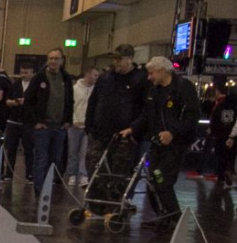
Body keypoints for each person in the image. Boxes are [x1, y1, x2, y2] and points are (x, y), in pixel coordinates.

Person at [119, 56, 201, 228]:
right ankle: (163, 215)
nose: (149, 77)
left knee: (163, 179)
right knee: (152, 179)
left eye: (152, 73)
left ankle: (174, 218)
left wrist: (173, 132)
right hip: (156, 142)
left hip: (176, 144)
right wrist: (132, 128)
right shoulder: (154, 90)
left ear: (163, 71)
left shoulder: (183, 87)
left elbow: (191, 117)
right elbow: (146, 115)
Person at [86, 43, 148, 173]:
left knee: (120, 173)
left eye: (119, 59)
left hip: (125, 136)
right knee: (95, 170)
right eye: (114, 59)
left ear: (130, 59)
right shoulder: (105, 77)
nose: (115, 62)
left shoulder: (140, 79)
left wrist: (135, 129)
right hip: (100, 133)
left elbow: (146, 109)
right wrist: (89, 126)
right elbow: (93, 101)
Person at [23, 49, 74, 194]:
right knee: (41, 158)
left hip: (60, 127)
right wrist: (36, 122)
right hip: (43, 126)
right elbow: (28, 101)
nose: (53, 61)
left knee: (55, 159)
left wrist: (68, 120)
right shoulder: (39, 78)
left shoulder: (66, 78)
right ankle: (39, 190)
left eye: (56, 58)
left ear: (61, 60)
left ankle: (48, 187)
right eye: (50, 58)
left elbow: (70, 101)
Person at [67, 66, 99, 185]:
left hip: (88, 127)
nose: (96, 78)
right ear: (88, 74)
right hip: (75, 125)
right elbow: (70, 106)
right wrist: (74, 120)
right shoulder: (75, 89)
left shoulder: (96, 90)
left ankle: (83, 174)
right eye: (95, 75)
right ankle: (72, 174)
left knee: (85, 152)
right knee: (73, 151)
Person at [3, 63, 36, 181]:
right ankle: (9, 173)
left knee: (28, 149)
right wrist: (13, 102)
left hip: (28, 122)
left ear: (32, 73)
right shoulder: (15, 85)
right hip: (14, 121)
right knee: (11, 148)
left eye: (26, 72)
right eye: (22, 72)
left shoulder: (34, 86)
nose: (24, 75)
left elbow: (38, 103)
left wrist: (25, 102)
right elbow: (7, 100)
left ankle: (29, 174)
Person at [207, 80, 235, 188]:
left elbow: (214, 119)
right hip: (232, 134)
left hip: (220, 134)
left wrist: (213, 131)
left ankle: (221, 176)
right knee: (231, 156)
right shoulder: (235, 106)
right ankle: (229, 170)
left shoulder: (219, 105)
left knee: (220, 155)